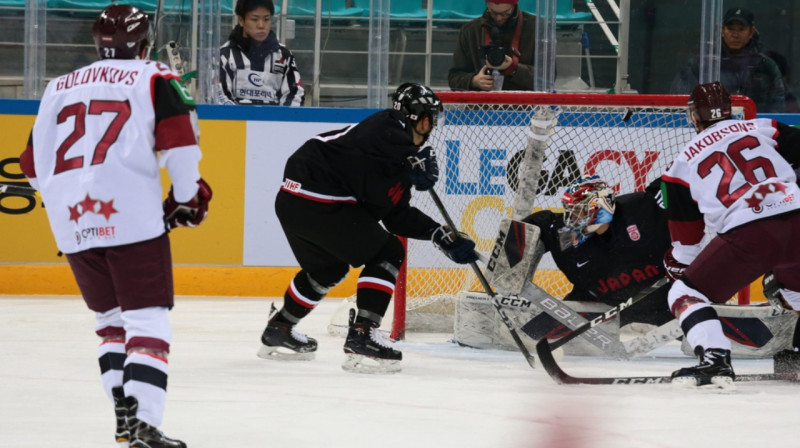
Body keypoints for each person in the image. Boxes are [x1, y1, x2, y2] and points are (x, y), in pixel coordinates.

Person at [19, 4, 212, 447]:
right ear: (144, 43)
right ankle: (145, 421)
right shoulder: (155, 76)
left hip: (71, 220)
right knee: (148, 322)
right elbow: (180, 142)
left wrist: (67, 198)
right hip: (131, 218)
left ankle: (125, 421)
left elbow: (31, 165)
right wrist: (187, 197)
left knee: (110, 323)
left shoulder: (56, 88)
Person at [259, 82, 478, 374]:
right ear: (418, 117)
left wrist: (440, 235)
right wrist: (409, 160)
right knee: (388, 251)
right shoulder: (386, 127)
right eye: (430, 117)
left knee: (328, 270)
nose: (433, 124)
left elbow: (396, 216)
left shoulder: (406, 156)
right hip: (317, 198)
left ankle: (279, 329)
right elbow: (381, 139)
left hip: (295, 203)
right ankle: (363, 336)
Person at [661, 81, 800, 388]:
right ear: (729, 111)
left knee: (686, 294)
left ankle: (715, 360)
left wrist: (677, 266)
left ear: (694, 117)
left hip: (749, 232)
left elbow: (687, 249)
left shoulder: (679, 166)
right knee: (793, 290)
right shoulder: (764, 126)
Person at [522, 175, 674, 330]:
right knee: (532, 333)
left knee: (694, 339)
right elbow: (535, 226)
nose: (572, 219)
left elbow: (677, 181)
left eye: (579, 211)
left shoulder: (641, 213)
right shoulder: (566, 234)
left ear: (602, 207)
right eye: (570, 211)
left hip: (660, 302)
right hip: (598, 304)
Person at [670, 7, 785, 113]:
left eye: (741, 29)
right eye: (730, 29)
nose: (735, 35)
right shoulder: (701, 63)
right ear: (722, 30)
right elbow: (680, 98)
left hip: (754, 129)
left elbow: (777, 104)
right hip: (712, 129)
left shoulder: (765, 66)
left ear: (751, 32)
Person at [219, 0, 304, 106]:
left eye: (266, 19)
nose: (261, 25)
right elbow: (220, 96)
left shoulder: (284, 55)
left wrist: (276, 120)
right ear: (241, 20)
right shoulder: (225, 55)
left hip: (274, 121)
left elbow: (295, 94)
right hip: (237, 122)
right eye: (255, 19)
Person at [448, 0, 537, 92]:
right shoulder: (470, 31)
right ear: (487, 5)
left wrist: (513, 68)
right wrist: (474, 81)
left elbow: (547, 79)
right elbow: (454, 78)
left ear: (514, 5)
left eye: (505, 13)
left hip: (524, 104)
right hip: (481, 104)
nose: (499, 18)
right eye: (493, 12)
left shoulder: (536, 28)